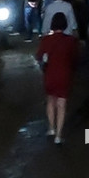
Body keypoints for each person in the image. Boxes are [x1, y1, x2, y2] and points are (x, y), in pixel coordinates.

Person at [35, 13, 79, 144]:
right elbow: (75, 58)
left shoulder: (46, 40)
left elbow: (38, 56)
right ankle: (59, 136)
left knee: (50, 101)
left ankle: (51, 128)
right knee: (62, 104)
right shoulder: (71, 41)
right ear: (65, 24)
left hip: (50, 75)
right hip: (65, 75)